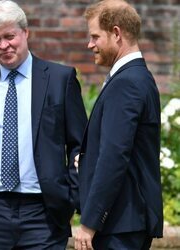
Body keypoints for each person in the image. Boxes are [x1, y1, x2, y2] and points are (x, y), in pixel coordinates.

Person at [0, 0, 87, 249]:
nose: (3, 46)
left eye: (9, 36)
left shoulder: (60, 79)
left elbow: (80, 145)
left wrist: (71, 198)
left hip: (44, 215)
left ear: (26, 32)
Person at [74, 0, 163, 249]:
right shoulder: (137, 77)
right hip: (126, 222)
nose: (89, 44)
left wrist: (89, 223)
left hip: (120, 225)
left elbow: (114, 155)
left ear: (116, 33)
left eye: (94, 36)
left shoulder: (127, 83)